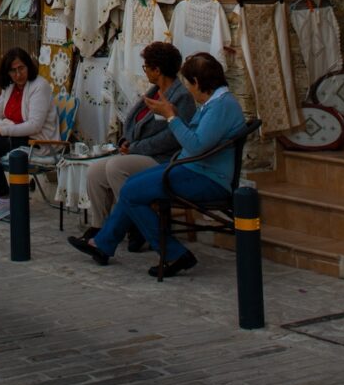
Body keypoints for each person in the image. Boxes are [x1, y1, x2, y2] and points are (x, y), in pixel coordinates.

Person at [73, 52, 246, 277]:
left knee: (131, 191)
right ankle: (104, 244)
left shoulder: (221, 106)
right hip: (191, 169)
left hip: (206, 177)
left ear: (197, 82)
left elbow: (195, 145)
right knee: (131, 187)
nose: (190, 91)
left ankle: (172, 253)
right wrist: (171, 114)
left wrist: (171, 117)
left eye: (190, 85)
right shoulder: (215, 104)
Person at [67, 41, 195, 255]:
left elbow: (172, 137)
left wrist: (136, 147)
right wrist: (126, 140)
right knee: (96, 171)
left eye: (147, 67)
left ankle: (136, 224)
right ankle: (100, 227)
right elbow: (132, 120)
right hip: (138, 151)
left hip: (162, 157)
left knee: (116, 167)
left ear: (157, 69)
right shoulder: (153, 91)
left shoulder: (181, 97)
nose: (145, 72)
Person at [0, 47, 59, 222]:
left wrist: (0, 130)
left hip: (34, 142)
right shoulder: (10, 88)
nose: (18, 74)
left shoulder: (39, 86)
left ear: (28, 66)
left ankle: (5, 198)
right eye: (13, 71)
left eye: (21, 68)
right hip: (14, 134)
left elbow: (35, 125)